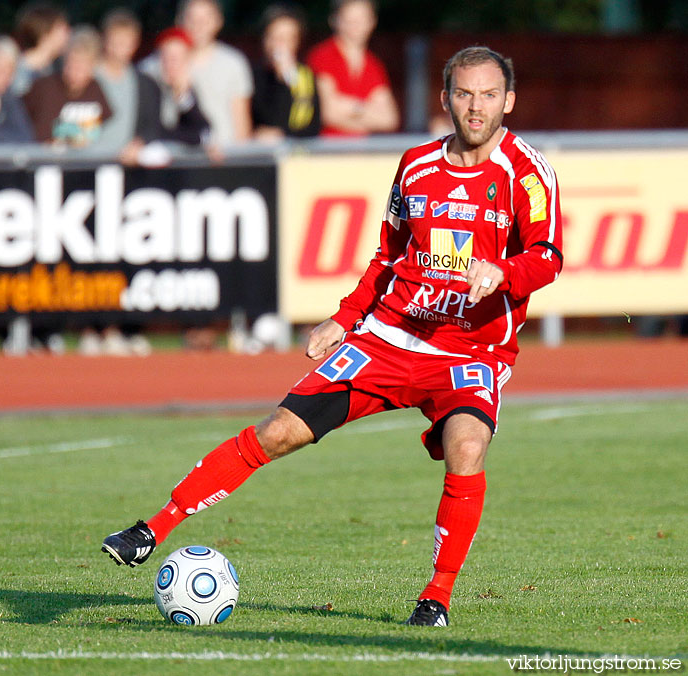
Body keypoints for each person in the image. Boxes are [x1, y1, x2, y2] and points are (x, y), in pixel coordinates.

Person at [102, 46, 563, 627]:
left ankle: (436, 598)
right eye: (465, 94)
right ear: (446, 99)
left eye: (489, 95)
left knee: (468, 447)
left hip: (469, 352)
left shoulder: (527, 171)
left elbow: (547, 256)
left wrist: (506, 271)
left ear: (508, 101)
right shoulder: (416, 166)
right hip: (388, 338)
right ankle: (152, 529)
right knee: (278, 432)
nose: (477, 107)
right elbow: (388, 258)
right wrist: (344, 319)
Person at [307, 0, 398, 136]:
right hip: (325, 150)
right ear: (335, 20)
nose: (355, 25)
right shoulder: (322, 56)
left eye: (361, 19)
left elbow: (389, 119)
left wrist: (352, 108)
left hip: (359, 153)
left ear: (372, 22)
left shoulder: (373, 64)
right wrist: (367, 111)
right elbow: (327, 112)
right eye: (349, 20)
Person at [179, 0, 253, 147]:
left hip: (223, 158)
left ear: (218, 22)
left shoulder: (233, 63)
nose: (198, 25)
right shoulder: (161, 63)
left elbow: (241, 123)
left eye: (205, 19)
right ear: (180, 21)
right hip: (177, 160)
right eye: (192, 19)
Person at [22, 26, 111, 147]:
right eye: (70, 65)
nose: (73, 73)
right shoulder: (46, 87)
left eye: (81, 68)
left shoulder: (95, 89)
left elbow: (103, 119)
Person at [95, 8, 162, 154]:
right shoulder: (88, 77)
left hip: (127, 164)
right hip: (87, 162)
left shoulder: (145, 84)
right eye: (115, 40)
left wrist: (140, 143)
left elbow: (152, 126)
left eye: (125, 41)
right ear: (104, 40)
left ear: (135, 43)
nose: (120, 46)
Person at [252, 4, 321, 141]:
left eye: (286, 39)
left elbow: (313, 126)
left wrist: (283, 135)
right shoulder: (254, 76)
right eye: (274, 37)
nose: (279, 45)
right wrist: (280, 82)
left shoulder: (305, 76)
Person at [11, 2, 70, 96]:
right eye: (62, 28)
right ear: (45, 34)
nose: (68, 34)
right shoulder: (19, 76)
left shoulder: (56, 68)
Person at [0, 35, 35, 143]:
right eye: (1, 71)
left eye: (11, 72)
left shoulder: (10, 101)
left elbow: (24, 136)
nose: (7, 78)